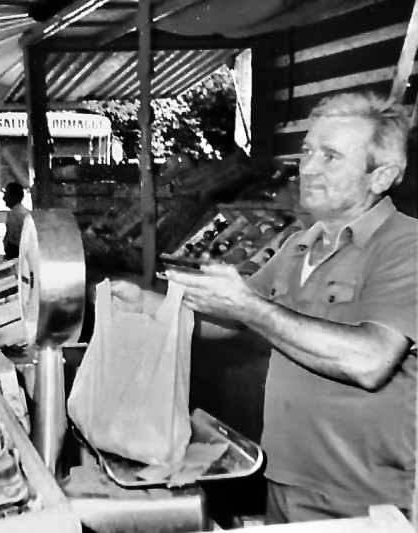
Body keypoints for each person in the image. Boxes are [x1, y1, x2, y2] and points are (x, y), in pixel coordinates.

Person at [116, 92, 417, 523]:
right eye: (308, 151)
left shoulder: (406, 245)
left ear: (381, 177)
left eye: (331, 156)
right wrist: (149, 305)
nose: (307, 168)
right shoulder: (298, 245)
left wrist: (248, 306)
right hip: (283, 478)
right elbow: (231, 321)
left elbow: (370, 361)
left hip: (364, 498)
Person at [3, 182, 29, 260]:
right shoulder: (24, 212)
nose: (4, 198)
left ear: (14, 197)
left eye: (6, 194)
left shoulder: (15, 215)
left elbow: (13, 243)